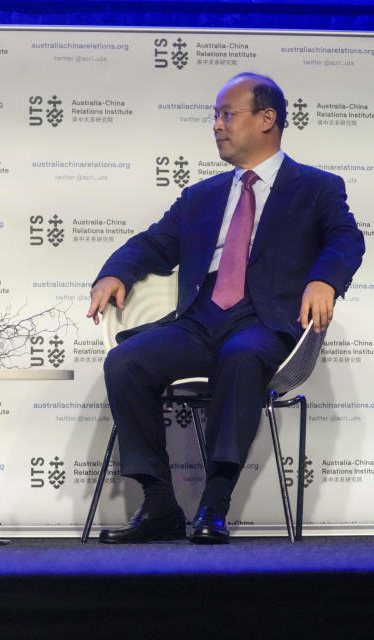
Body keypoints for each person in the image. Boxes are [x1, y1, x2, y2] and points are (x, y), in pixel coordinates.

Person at [87, 72, 364, 544]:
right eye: (214, 115)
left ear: (266, 119)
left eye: (227, 114)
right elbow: (156, 243)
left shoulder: (316, 187)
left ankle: (214, 502)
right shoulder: (202, 196)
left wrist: (323, 280)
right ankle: (159, 504)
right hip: (199, 321)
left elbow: (346, 240)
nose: (217, 125)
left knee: (242, 355)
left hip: (265, 320)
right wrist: (114, 272)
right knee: (126, 361)